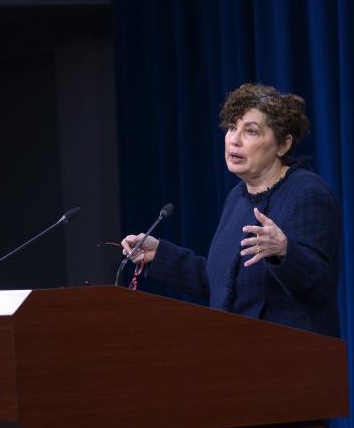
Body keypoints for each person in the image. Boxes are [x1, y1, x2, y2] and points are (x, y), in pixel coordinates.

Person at [122, 83, 341, 337]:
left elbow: (319, 285)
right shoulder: (237, 197)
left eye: (250, 131)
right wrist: (160, 255)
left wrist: (284, 252)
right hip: (237, 357)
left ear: (283, 144)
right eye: (231, 128)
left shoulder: (306, 192)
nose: (234, 140)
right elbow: (222, 283)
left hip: (290, 361)